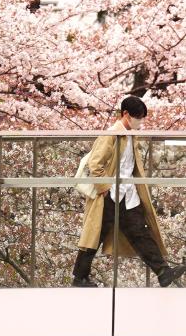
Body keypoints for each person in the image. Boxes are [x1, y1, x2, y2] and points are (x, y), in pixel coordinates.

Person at [71, 96, 185, 288]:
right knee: (96, 234)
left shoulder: (129, 134)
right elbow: (95, 163)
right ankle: (79, 277)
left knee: (139, 231)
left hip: (126, 193)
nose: (140, 121)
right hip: (110, 194)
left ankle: (163, 271)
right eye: (138, 117)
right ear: (125, 114)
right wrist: (104, 188)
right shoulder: (112, 134)